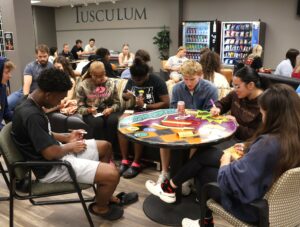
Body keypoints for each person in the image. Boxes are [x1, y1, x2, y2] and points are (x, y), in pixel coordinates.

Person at [11, 68, 138, 221]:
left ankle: (103, 193)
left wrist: (67, 137)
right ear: (48, 94)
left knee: (106, 146)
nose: (60, 103)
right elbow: (50, 153)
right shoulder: (31, 115)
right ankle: (100, 207)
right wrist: (70, 147)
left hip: (58, 153)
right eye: (59, 99)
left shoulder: (30, 101)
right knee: (113, 174)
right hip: (51, 167)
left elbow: (44, 134)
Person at [181, 83, 300, 227]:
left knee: (205, 172)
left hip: (253, 208)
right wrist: (249, 149)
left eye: (263, 113)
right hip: (285, 208)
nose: (262, 118)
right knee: (205, 158)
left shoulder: (268, 144)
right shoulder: (291, 137)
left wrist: (225, 162)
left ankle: (204, 221)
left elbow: (234, 182)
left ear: (273, 114)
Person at [146, 66, 264, 204]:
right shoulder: (236, 95)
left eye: (237, 86)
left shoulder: (264, 104)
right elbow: (222, 103)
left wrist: (237, 126)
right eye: (234, 86)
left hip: (245, 146)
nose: (235, 89)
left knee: (202, 154)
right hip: (230, 138)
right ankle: (184, 189)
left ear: (250, 85)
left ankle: (171, 187)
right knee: (200, 148)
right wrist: (217, 108)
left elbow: (257, 136)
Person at [148, 60, 218, 187]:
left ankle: (187, 176)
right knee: (163, 135)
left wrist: (190, 114)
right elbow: (172, 110)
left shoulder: (210, 89)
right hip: (180, 123)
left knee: (197, 136)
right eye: (185, 79)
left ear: (200, 75)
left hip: (200, 126)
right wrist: (178, 114)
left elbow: (208, 115)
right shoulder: (177, 88)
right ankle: (164, 172)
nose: (189, 83)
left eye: (192, 79)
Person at [118, 57, 170, 179]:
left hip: (154, 111)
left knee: (137, 125)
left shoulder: (157, 81)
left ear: (147, 75)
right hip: (137, 109)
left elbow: (166, 103)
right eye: (135, 79)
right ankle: (125, 160)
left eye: (140, 80)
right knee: (121, 123)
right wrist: (127, 95)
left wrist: (146, 105)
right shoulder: (132, 80)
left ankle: (136, 162)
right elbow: (125, 97)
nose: (137, 82)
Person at [76, 61, 122, 151]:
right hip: (90, 112)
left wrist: (111, 109)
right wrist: (89, 110)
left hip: (107, 110)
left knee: (112, 121)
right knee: (98, 122)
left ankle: (110, 149)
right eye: (95, 76)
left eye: (101, 76)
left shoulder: (111, 83)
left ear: (104, 73)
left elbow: (118, 103)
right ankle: (101, 150)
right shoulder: (83, 85)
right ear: (91, 74)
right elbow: (79, 107)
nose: (98, 79)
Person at [7, 44, 53, 111]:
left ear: (48, 55)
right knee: (6, 104)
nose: (42, 58)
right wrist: (26, 99)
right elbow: (26, 85)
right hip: (24, 93)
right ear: (36, 55)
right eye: (40, 56)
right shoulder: (30, 66)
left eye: (44, 56)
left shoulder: (51, 67)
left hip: (39, 96)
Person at [0, 57, 15, 130]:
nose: (10, 76)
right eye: (6, 72)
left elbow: (5, 112)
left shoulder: (2, 87)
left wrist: (22, 117)